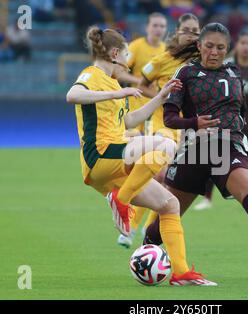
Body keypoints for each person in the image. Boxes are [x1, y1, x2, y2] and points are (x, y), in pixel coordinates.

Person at [144, 23, 248, 285]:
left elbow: (240, 112)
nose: (214, 52)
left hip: (228, 147)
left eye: (220, 47)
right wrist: (194, 124)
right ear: (199, 46)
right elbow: (168, 118)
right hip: (195, 151)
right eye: (209, 46)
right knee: (168, 216)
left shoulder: (234, 73)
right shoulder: (185, 73)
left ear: (228, 50)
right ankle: (144, 258)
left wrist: (240, 136)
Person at [66, 26, 215, 286]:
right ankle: (122, 201)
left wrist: (160, 97)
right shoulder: (92, 75)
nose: (128, 61)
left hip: (116, 162)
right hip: (101, 156)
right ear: (114, 53)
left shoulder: (113, 82)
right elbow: (72, 95)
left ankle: (180, 272)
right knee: (166, 146)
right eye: (126, 55)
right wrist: (117, 93)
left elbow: (130, 120)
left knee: (170, 205)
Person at [118, 13, 201, 248]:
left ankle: (149, 233)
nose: (192, 35)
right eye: (187, 30)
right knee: (159, 174)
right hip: (162, 124)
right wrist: (163, 97)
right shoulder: (162, 58)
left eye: (196, 31)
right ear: (177, 31)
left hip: (190, 129)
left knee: (172, 184)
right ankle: (130, 228)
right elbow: (141, 82)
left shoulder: (202, 60)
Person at [195, 31, 248, 210]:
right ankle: (207, 198)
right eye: (243, 43)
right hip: (226, 122)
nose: (246, 47)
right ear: (236, 45)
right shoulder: (226, 66)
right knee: (216, 156)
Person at [116, 12, 168, 248]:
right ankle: (129, 224)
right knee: (141, 172)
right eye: (155, 25)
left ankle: (135, 230)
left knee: (157, 176)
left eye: (162, 26)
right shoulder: (137, 47)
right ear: (147, 27)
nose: (158, 29)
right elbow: (119, 72)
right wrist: (139, 83)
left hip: (158, 118)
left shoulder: (167, 52)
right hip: (136, 115)